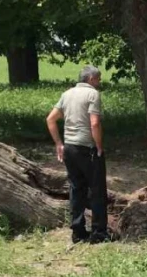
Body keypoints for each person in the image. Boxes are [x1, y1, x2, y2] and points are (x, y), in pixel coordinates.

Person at [46, 65, 109, 243]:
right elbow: (94, 123)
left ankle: (78, 231)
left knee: (76, 189)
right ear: (91, 79)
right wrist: (99, 146)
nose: (99, 82)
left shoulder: (67, 94)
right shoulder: (92, 94)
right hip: (87, 148)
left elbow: (50, 119)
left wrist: (59, 143)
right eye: (98, 79)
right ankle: (99, 233)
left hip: (70, 148)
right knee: (97, 190)